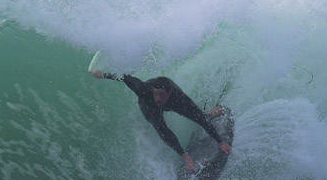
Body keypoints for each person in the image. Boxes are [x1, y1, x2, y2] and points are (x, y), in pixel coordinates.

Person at [92, 71, 231, 172]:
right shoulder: (144, 90)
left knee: (199, 116)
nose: (158, 98)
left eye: (161, 95)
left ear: (169, 92)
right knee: (160, 128)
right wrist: (103, 74)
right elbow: (125, 76)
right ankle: (186, 157)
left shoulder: (179, 98)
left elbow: (199, 119)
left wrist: (221, 142)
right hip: (148, 106)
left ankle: (209, 113)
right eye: (156, 94)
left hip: (173, 101)